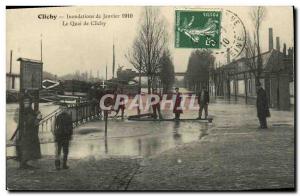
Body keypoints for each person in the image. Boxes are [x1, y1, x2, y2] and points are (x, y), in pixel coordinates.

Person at [16, 98, 42, 169]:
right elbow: (31, 122)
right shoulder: (26, 111)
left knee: (28, 147)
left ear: (30, 104)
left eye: (27, 103)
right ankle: (23, 164)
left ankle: (24, 163)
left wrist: (37, 117)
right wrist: (37, 118)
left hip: (28, 132)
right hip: (27, 133)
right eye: (25, 103)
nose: (26, 104)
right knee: (27, 148)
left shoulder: (28, 111)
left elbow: (31, 121)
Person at [54, 105, 73, 170]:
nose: (63, 110)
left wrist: (70, 135)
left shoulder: (68, 117)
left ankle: (64, 165)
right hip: (60, 136)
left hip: (65, 136)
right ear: (60, 109)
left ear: (67, 109)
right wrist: (56, 135)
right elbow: (55, 126)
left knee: (65, 151)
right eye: (62, 108)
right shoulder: (58, 117)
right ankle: (58, 165)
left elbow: (71, 127)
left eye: (65, 108)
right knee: (58, 151)